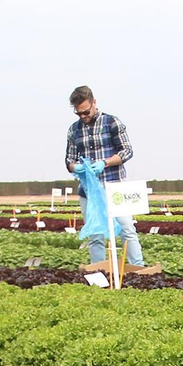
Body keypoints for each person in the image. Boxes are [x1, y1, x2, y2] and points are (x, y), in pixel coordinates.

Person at [65, 85, 144, 270]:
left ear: (94, 102)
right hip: (89, 191)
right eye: (79, 114)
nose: (83, 116)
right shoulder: (74, 130)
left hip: (114, 186)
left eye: (86, 111)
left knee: (126, 229)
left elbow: (127, 151)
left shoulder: (112, 122)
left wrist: (104, 163)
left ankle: (138, 269)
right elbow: (69, 160)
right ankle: (99, 270)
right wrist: (77, 167)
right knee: (95, 234)